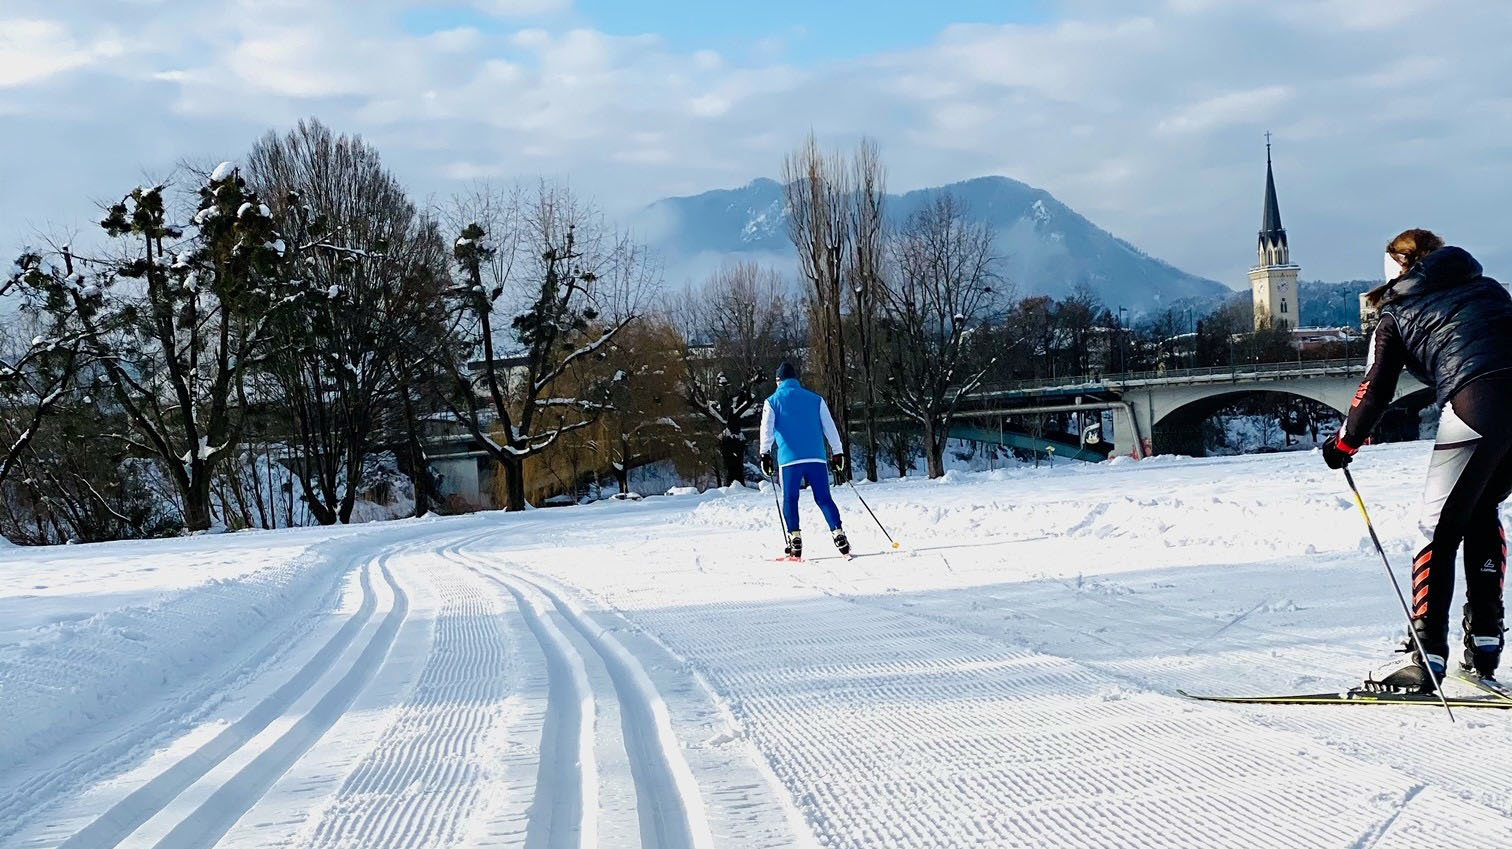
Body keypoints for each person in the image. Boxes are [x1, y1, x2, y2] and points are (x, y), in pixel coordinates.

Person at [1322, 229, 1512, 692]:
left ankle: (1424, 656)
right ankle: (1485, 642)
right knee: (1479, 509)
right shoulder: (1487, 288)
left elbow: (1375, 390)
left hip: (1477, 402)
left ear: (1395, 271)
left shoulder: (1397, 312)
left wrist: (1343, 444)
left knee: (1437, 528)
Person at [759, 362, 849, 559]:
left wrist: (764, 453)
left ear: (778, 381)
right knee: (824, 498)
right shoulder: (816, 399)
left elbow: (766, 429)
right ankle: (838, 533)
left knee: (790, 499)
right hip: (816, 456)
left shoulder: (772, 401)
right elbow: (829, 427)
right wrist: (838, 452)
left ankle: (795, 538)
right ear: (796, 380)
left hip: (789, 459)